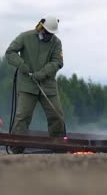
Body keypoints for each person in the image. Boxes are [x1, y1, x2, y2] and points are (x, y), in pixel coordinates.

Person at [5, 16, 65, 146]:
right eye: (47, 32)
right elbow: (10, 53)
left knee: (57, 116)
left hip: (48, 86)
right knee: (22, 117)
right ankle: (16, 146)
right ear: (41, 27)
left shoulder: (56, 43)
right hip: (27, 85)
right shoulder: (25, 37)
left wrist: (43, 73)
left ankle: (59, 145)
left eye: (51, 33)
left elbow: (58, 62)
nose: (49, 35)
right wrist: (21, 64)